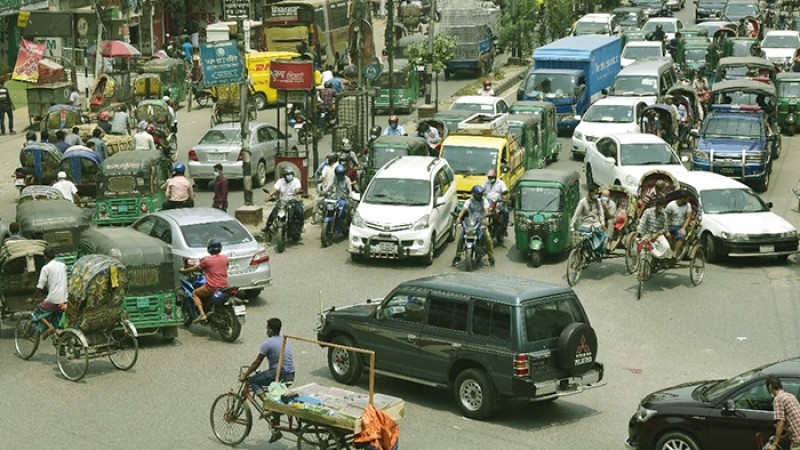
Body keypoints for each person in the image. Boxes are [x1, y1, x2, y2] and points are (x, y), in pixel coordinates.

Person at [239, 318, 296, 443]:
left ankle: (267, 405)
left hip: (279, 374)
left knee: (253, 381)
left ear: (270, 330)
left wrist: (245, 375)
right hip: (291, 374)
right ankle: (276, 430)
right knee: (275, 396)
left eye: (267, 328)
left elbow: (256, 363)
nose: (266, 331)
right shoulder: (284, 339)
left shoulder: (268, 343)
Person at [180, 238, 228, 323]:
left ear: (209, 249)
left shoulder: (206, 260)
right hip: (225, 285)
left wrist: (184, 270)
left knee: (195, 293)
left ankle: (202, 314)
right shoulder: (225, 258)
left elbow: (196, 268)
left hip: (212, 287)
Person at [452, 185, 496, 267]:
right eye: (478, 194)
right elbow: (463, 210)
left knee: (488, 239)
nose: (480, 196)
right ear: (474, 194)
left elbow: (486, 210)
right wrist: (459, 218)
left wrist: (486, 220)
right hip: (471, 222)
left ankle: (491, 258)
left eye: (481, 194)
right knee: (461, 238)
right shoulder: (469, 201)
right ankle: (457, 256)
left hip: (481, 222)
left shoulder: (484, 201)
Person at [28, 247, 68, 337]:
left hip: (53, 299)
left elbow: (40, 286)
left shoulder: (46, 268)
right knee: (57, 322)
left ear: (45, 257)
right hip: (64, 299)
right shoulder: (63, 265)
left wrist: (32, 299)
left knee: (37, 311)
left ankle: (49, 327)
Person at [570, 186, 608, 258]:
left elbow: (601, 213)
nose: (597, 195)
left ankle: (598, 252)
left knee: (604, 236)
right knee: (583, 238)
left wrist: (603, 223)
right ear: (591, 193)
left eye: (597, 193)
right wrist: (572, 224)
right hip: (586, 224)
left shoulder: (598, 201)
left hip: (596, 223)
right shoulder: (583, 202)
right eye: (595, 193)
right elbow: (577, 214)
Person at [263, 167, 304, 233]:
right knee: (274, 212)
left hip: (293, 201)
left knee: (299, 212)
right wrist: (269, 196)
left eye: (290, 174)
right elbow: (275, 190)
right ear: (284, 176)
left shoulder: (296, 181)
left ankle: (301, 226)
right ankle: (267, 226)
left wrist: (299, 197)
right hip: (282, 202)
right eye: (287, 174)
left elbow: (297, 190)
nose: (289, 176)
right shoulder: (280, 181)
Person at [767, 375, 800, 450]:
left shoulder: (778, 399)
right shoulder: (790, 396)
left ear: (770, 387)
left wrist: (775, 443)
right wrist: (784, 437)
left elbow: (780, 422)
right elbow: (794, 419)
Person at [665, 190, 693, 259]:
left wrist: (683, 228)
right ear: (682, 199)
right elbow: (665, 218)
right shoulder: (671, 205)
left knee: (681, 236)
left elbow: (688, 217)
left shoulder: (688, 205)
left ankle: (674, 254)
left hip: (680, 226)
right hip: (669, 226)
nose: (688, 200)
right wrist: (666, 231)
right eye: (687, 199)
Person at [482, 169, 509, 235]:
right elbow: (481, 188)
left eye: (491, 177)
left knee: (505, 212)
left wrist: (504, 197)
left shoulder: (501, 183)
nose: (490, 179)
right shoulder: (486, 182)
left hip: (498, 202)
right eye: (489, 177)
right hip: (488, 202)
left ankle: (504, 228)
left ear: (495, 177)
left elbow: (505, 192)